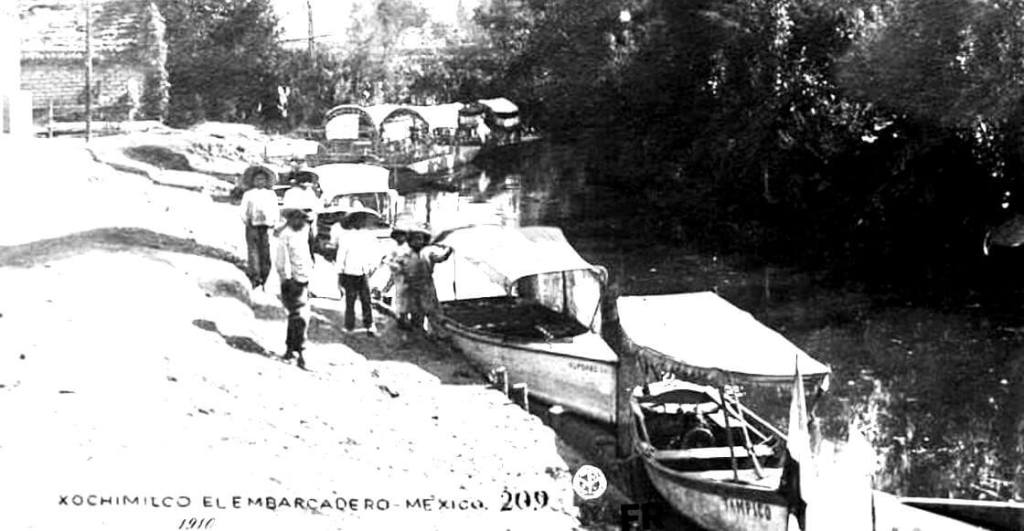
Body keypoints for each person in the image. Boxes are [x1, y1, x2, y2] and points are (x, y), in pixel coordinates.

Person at [395, 225, 453, 335]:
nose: (418, 242)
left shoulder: (428, 253)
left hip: (427, 287)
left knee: (433, 312)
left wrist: (448, 251)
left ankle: (437, 335)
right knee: (416, 314)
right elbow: (398, 271)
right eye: (415, 239)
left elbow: (440, 258)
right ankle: (418, 335)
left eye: (420, 239)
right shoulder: (404, 255)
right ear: (410, 241)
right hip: (412, 288)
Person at [276, 208, 315, 369]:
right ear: (290, 219)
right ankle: (302, 353)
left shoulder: (304, 232)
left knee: (295, 317)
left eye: (302, 219)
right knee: (301, 317)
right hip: (292, 281)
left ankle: (290, 349)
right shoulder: (285, 236)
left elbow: (307, 256)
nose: (300, 221)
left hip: (304, 279)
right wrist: (287, 279)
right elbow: (281, 261)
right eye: (297, 218)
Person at [331, 216, 381, 336]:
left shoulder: (368, 236)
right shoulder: (346, 237)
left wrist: (372, 266)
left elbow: (374, 253)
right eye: (357, 220)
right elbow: (341, 256)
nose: (360, 222)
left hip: (363, 271)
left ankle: (369, 324)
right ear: (352, 221)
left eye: (361, 220)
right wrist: (340, 273)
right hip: (349, 272)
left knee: (366, 299)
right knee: (350, 299)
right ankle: (349, 325)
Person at [239, 169, 278, 289]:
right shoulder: (248, 194)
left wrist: (274, 222)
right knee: (253, 251)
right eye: (257, 179)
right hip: (252, 226)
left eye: (263, 179)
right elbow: (243, 210)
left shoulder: (271, 194)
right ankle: (255, 277)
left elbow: (275, 210)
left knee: (265, 251)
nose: (260, 181)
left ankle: (264, 275)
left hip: (265, 226)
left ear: (266, 181)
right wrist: (247, 220)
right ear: (253, 181)